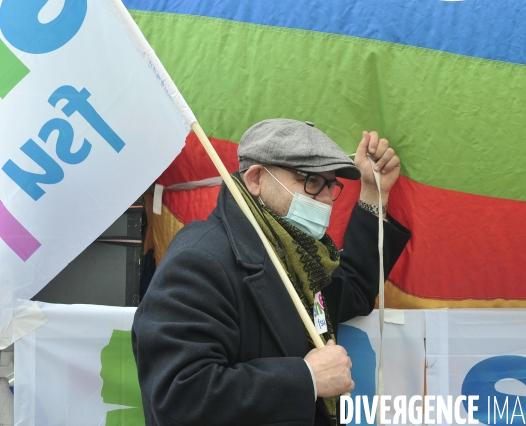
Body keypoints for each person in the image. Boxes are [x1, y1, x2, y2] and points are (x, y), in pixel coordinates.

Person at [132, 119, 411, 426]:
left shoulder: (297, 255)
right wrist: (307, 379)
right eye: (311, 182)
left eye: (331, 185)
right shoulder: (200, 260)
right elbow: (178, 395)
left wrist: (372, 193)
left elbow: (352, 288)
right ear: (255, 179)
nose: (327, 199)